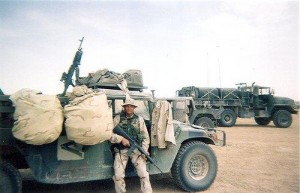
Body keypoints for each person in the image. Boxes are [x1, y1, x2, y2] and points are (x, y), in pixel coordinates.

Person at [110, 97, 152, 193]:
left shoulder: (140, 120)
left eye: (131, 106)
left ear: (134, 108)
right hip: (122, 151)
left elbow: (145, 137)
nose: (129, 108)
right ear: (124, 107)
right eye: (127, 106)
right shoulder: (117, 119)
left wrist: (144, 151)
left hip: (136, 151)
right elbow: (109, 134)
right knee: (118, 176)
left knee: (144, 174)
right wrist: (121, 139)